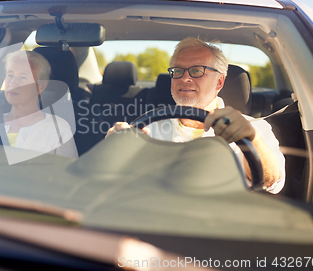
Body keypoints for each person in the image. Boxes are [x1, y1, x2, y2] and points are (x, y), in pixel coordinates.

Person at [106, 38, 285, 193]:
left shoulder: (251, 128)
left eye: (197, 70)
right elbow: (116, 181)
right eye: (177, 71)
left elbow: (271, 180)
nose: (184, 78)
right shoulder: (149, 125)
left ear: (219, 81)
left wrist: (252, 139)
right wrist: (112, 149)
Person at [0, 50, 78, 158]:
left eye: (23, 77)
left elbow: (69, 176)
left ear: (41, 86)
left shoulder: (58, 129)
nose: (13, 83)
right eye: (10, 75)